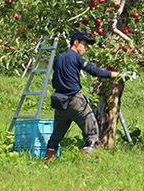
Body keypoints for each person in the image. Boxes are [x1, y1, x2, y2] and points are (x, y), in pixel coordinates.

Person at [45, 32, 120, 164]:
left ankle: (47, 161)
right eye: (84, 45)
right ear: (75, 43)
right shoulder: (79, 58)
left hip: (60, 101)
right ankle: (86, 163)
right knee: (92, 132)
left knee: (56, 136)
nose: (85, 49)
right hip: (75, 100)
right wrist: (117, 74)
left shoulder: (59, 59)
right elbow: (96, 71)